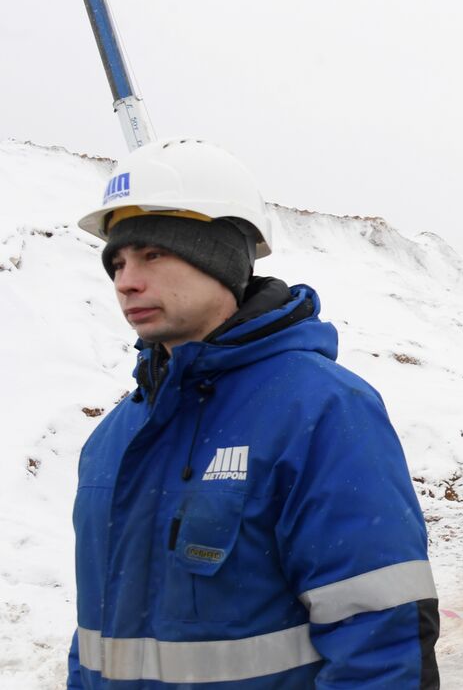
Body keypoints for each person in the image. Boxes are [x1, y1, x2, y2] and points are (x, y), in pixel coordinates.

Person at [69, 138, 438, 689]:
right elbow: (96, 642)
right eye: (117, 262)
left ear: (218, 258)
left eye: (152, 254)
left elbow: (380, 636)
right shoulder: (114, 438)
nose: (126, 281)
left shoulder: (322, 412)